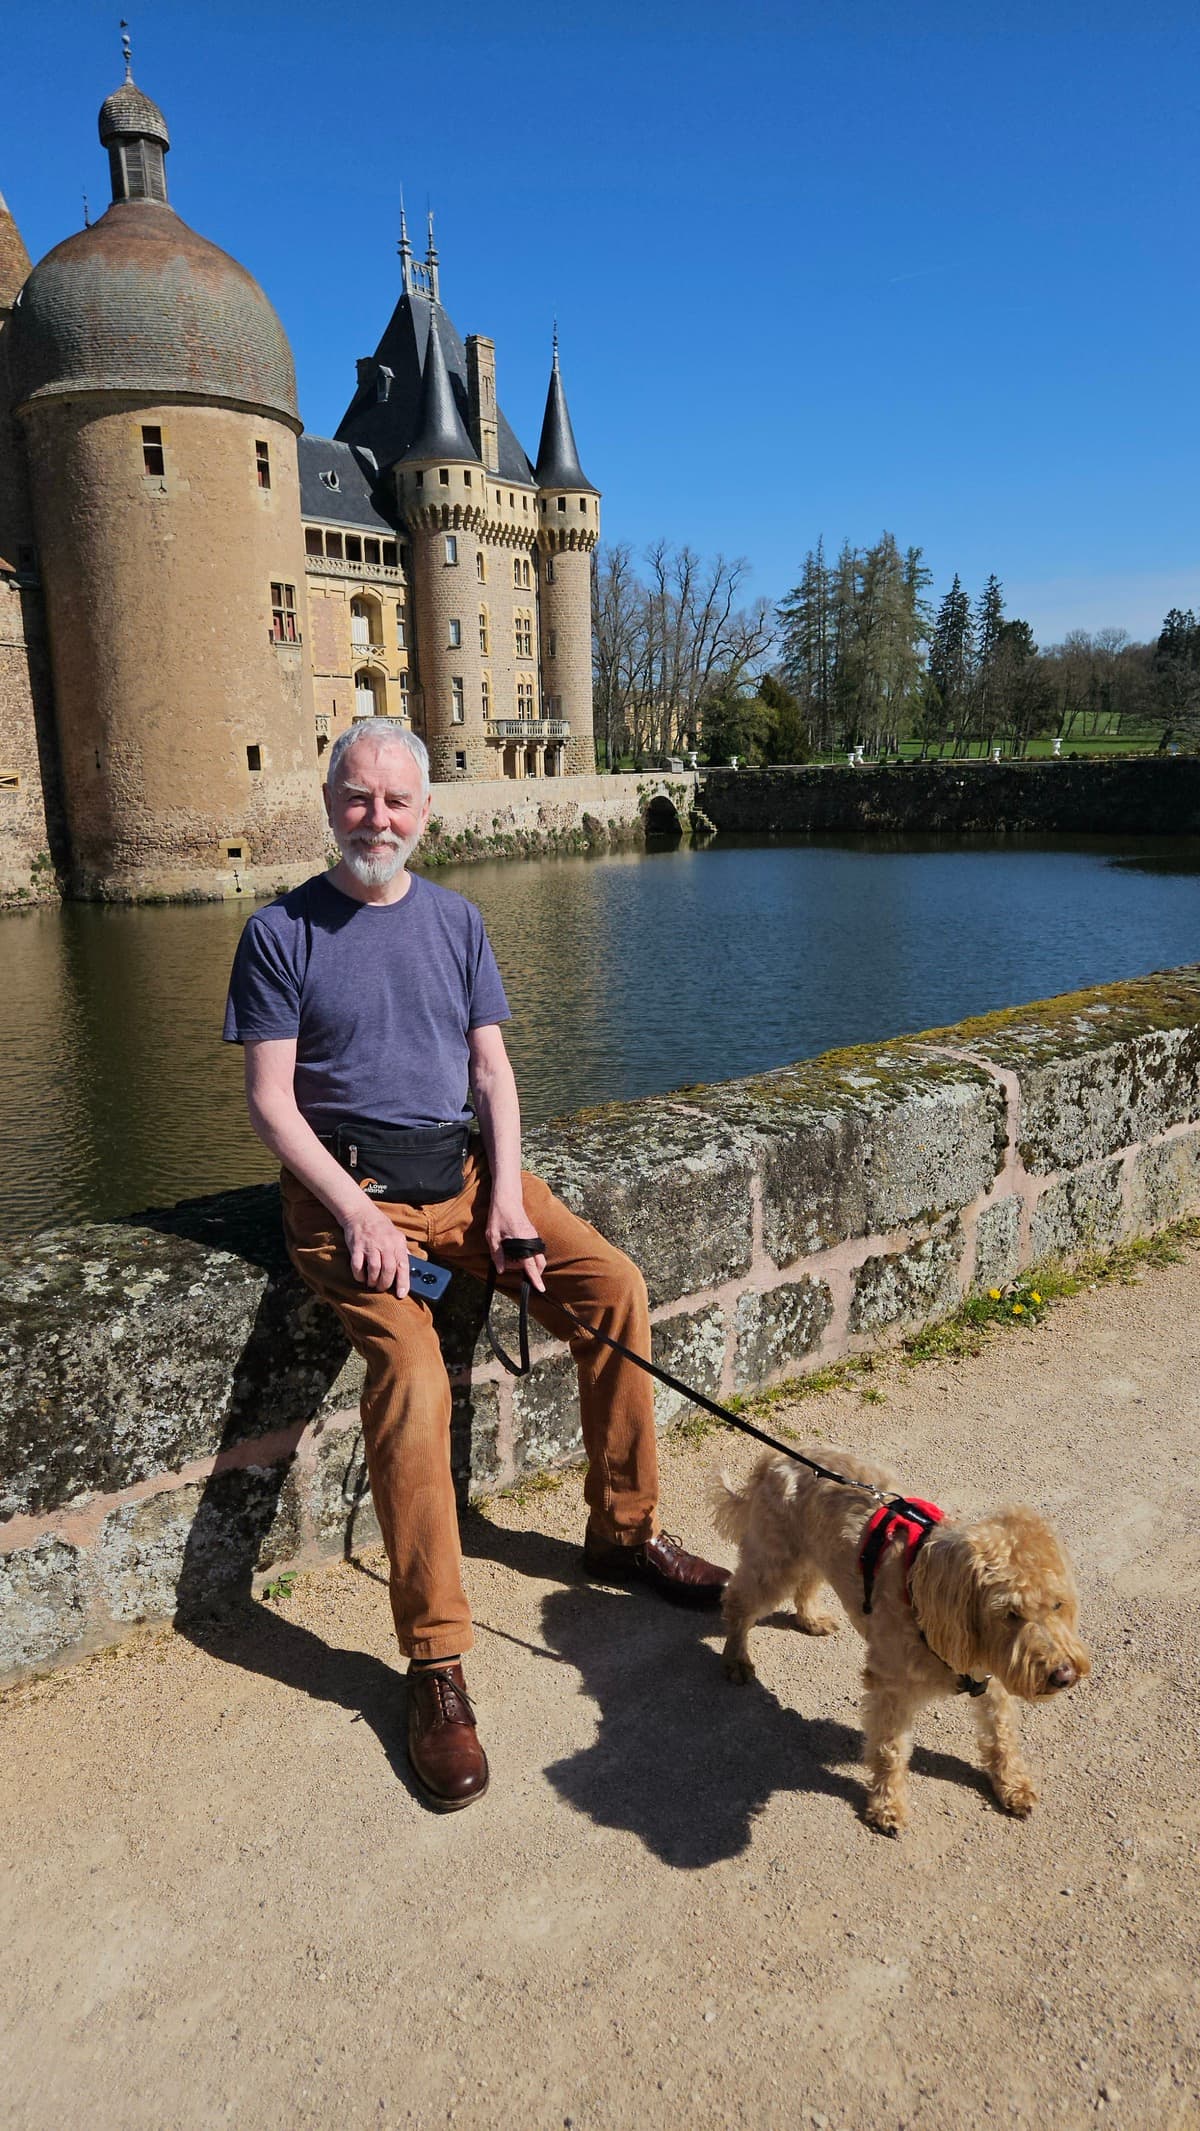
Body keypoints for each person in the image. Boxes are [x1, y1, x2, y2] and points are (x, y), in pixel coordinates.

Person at [223, 721, 727, 1812]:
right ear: (327, 802)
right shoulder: (280, 932)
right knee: (411, 1377)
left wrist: (506, 1198)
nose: (379, 821)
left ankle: (625, 1532)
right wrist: (352, 1207)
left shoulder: (456, 920)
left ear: (426, 814)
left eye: (399, 803)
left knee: (612, 1287)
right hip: (351, 1203)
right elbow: (270, 1101)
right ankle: (436, 1664)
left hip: (465, 1178)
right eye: (359, 800)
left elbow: (493, 1076)